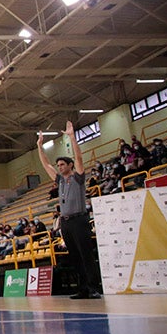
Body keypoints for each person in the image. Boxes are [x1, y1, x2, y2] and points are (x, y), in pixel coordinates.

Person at [37, 121, 102, 299]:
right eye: (58, 166)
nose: (59, 167)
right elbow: (46, 165)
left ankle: (93, 287)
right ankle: (82, 288)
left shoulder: (78, 178)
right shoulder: (59, 181)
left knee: (86, 254)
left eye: (63, 165)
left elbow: (79, 158)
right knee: (74, 256)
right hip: (66, 222)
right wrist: (39, 146)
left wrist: (72, 137)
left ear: (70, 165)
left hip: (79, 220)